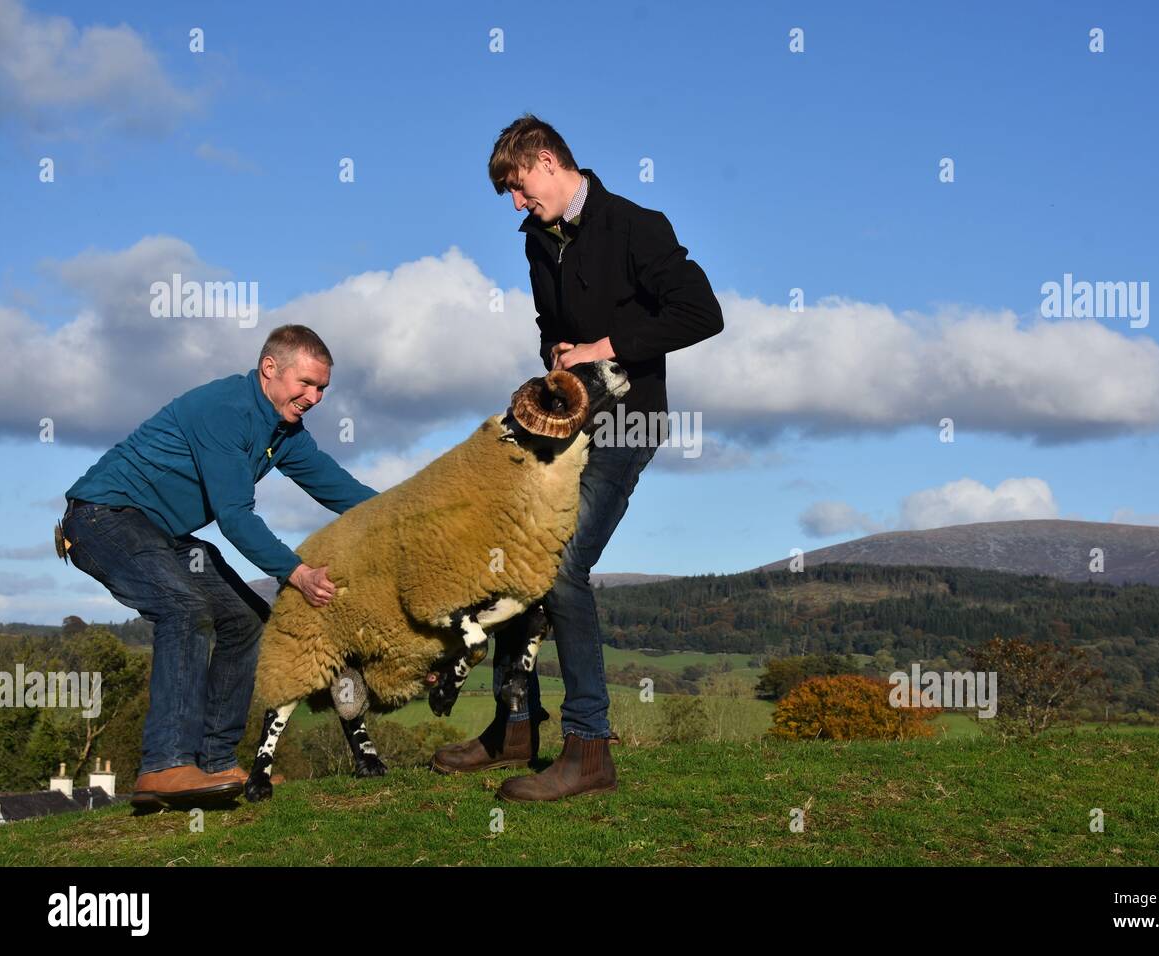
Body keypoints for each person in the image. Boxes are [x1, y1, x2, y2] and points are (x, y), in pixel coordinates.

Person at [432, 115, 724, 800]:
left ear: (546, 161)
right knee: (512, 556)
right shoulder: (539, 240)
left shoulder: (636, 225)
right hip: (564, 426)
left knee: (563, 569)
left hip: (626, 426)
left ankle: (590, 751)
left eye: (517, 186)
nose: (515, 203)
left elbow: (702, 312)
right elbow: (548, 327)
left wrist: (604, 347)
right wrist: (556, 361)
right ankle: (514, 726)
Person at [60, 324, 378, 807]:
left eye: (322, 389)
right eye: (306, 384)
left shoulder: (284, 430)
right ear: (270, 369)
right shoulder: (226, 410)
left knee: (245, 618)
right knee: (184, 608)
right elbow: (234, 516)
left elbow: (338, 488)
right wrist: (296, 573)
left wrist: (405, 514)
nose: (314, 397)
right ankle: (165, 766)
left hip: (161, 533)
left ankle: (214, 765)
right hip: (101, 518)